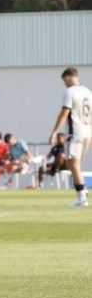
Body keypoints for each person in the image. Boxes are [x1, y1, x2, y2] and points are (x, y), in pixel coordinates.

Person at [48, 67, 92, 206]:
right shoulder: (88, 92)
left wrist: (54, 131)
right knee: (74, 163)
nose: (65, 83)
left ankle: (82, 196)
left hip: (75, 132)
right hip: (86, 132)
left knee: (73, 163)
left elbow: (64, 112)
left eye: (64, 80)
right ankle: (83, 191)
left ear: (68, 77)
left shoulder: (70, 92)